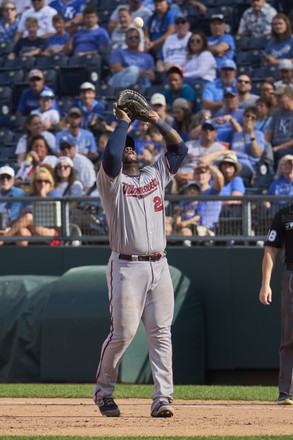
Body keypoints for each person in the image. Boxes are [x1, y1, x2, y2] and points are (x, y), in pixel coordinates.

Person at [93, 102, 188, 418]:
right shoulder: (112, 183)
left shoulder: (155, 173)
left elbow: (179, 149)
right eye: (126, 149)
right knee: (123, 334)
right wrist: (122, 124)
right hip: (127, 266)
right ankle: (104, 392)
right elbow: (109, 157)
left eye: (133, 148)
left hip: (159, 265)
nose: (129, 151)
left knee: (161, 332)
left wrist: (156, 120)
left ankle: (163, 398)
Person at [259, 203, 293, 405]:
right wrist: (265, 285)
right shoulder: (284, 215)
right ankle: (286, 392)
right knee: (290, 336)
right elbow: (271, 250)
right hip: (291, 274)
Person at [0, 167, 57, 246]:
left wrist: (42, 195)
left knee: (29, 217)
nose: (42, 184)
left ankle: (4, 238)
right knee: (22, 231)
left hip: (48, 229)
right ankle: (22, 257)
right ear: (34, 183)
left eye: (46, 181)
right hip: (31, 229)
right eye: (39, 181)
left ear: (50, 183)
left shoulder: (54, 194)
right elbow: (21, 216)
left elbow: (52, 219)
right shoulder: (29, 197)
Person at [230, 105, 265, 186]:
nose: (249, 119)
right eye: (247, 116)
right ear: (243, 118)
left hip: (247, 165)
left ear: (256, 122)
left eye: (253, 118)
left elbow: (257, 154)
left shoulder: (259, 135)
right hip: (233, 162)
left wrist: (251, 134)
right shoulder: (237, 135)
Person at [265, 85, 293, 164]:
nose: (277, 100)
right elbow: (270, 132)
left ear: (289, 97)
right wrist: (263, 144)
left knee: (281, 153)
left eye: (280, 97)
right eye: (277, 97)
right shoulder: (277, 112)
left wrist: (279, 147)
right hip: (275, 145)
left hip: (289, 147)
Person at [0, 166, 25, 233]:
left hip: (11, 227)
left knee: (23, 233)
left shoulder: (18, 193)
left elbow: (15, 217)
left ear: (13, 179)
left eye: (8, 177)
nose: (5, 180)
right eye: (2, 177)